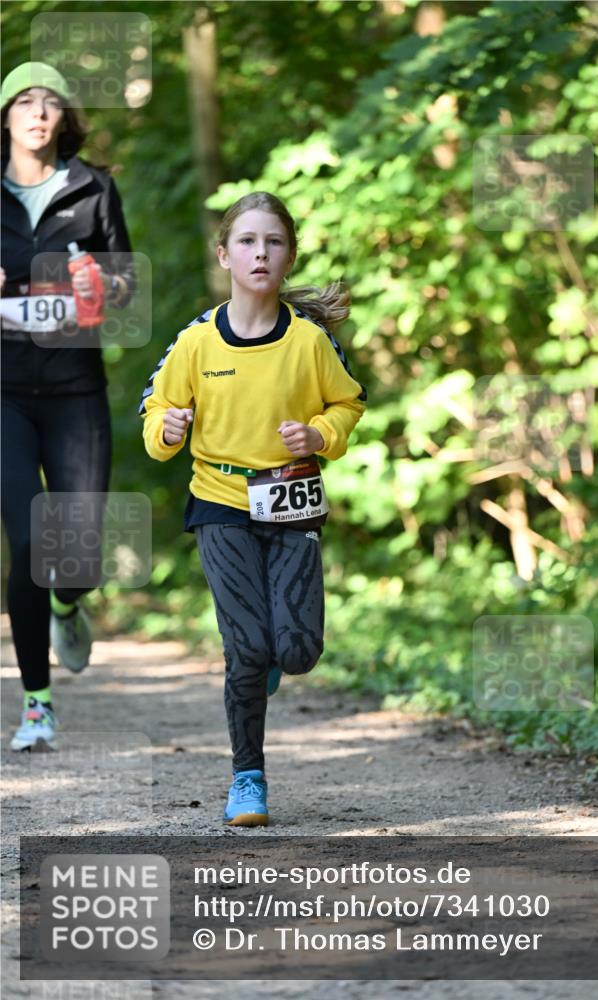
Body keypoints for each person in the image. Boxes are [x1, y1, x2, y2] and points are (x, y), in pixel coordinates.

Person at [140, 191, 365, 826]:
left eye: (272, 242)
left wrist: (321, 435)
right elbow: (153, 413)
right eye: (246, 241)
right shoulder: (195, 343)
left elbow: (349, 403)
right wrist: (170, 428)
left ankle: (270, 659)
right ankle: (247, 779)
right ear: (224, 255)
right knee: (246, 649)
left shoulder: (310, 342)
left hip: (292, 499)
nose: (259, 252)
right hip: (220, 502)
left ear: (288, 257)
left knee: (295, 651)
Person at [1, 62, 134, 750]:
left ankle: (68, 602)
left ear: (63, 119)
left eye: (50, 103)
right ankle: (37, 704)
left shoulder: (93, 188)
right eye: (25, 101)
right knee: (29, 543)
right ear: (6, 117)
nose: (38, 113)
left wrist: (92, 284)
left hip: (76, 390)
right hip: (4, 395)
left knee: (75, 555)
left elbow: (124, 292)